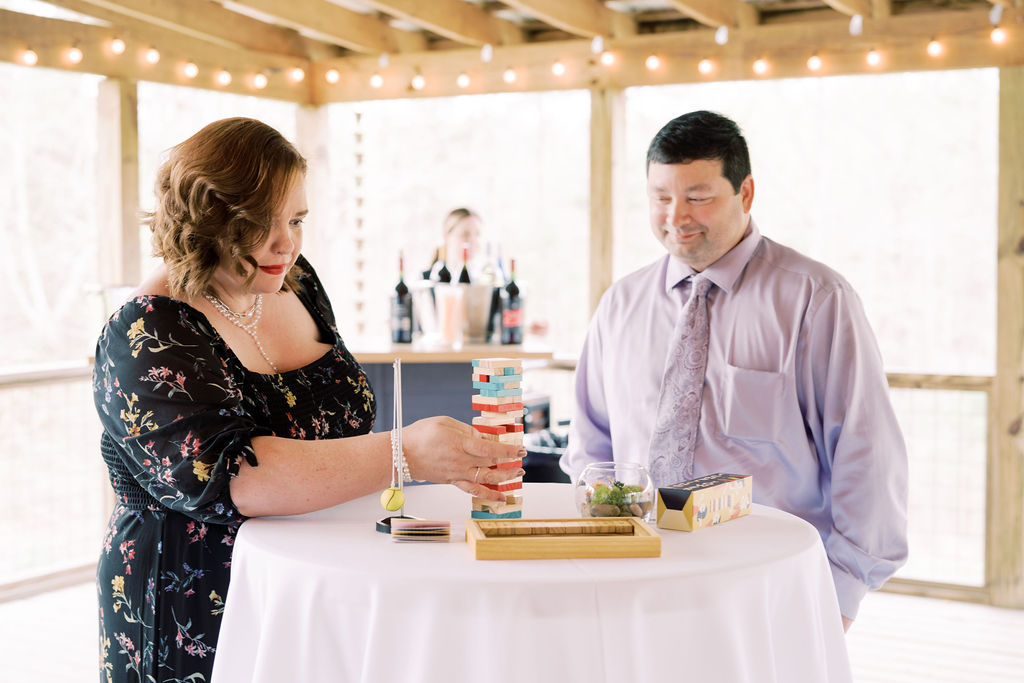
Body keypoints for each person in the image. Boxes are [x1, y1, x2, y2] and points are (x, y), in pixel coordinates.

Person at [93, 118, 523, 683]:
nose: (286, 244)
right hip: (194, 602)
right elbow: (232, 478)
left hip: (318, 586)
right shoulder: (145, 330)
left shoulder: (293, 280)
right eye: (259, 223)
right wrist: (405, 453)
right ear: (201, 219)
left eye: (295, 219)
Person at [560, 110, 908, 631]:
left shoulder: (817, 300)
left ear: (745, 193)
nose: (676, 216)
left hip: (772, 589)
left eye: (698, 197)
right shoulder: (620, 305)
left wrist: (840, 594)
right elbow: (591, 444)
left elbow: (866, 453)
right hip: (635, 584)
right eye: (660, 197)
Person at [424, 207, 484, 280]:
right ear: (446, 236)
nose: (473, 241)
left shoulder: (485, 281)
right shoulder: (424, 280)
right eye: (465, 234)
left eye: (477, 234)